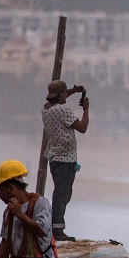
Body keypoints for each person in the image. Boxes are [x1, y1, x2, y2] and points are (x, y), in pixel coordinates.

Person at [42, 80, 90, 242]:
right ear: (61, 94)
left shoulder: (46, 109)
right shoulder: (63, 110)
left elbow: (60, 96)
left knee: (60, 192)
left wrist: (74, 90)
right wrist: (86, 109)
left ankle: (55, 226)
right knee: (62, 195)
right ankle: (57, 229)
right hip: (66, 159)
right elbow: (83, 128)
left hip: (54, 158)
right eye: (65, 93)